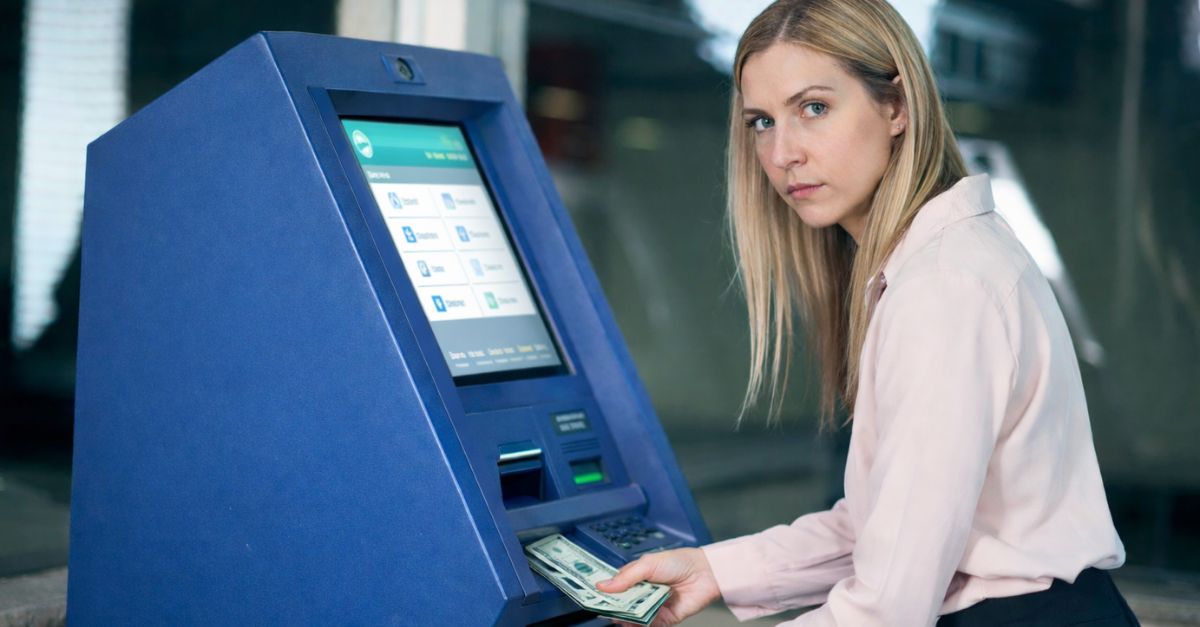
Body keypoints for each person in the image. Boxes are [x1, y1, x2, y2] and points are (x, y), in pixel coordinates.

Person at [596, 1, 1137, 625]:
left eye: (814, 108)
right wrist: (713, 570)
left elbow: (886, 607)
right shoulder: (933, 264)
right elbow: (882, 525)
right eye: (762, 122)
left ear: (897, 106)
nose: (783, 153)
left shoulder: (944, 288)